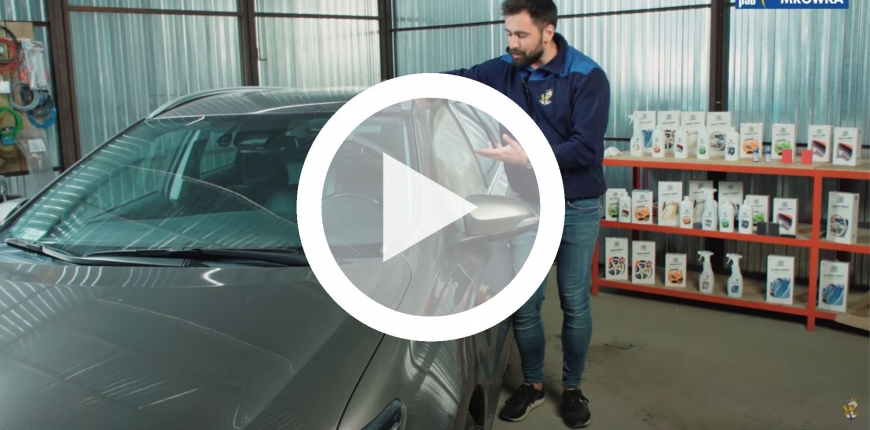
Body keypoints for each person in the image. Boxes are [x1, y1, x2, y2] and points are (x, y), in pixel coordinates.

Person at [442, 0, 610, 428]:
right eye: (508, 33)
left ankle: (572, 389)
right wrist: (418, 92)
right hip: (528, 207)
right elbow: (458, 79)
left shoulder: (586, 76)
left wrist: (529, 157)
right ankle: (533, 385)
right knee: (525, 303)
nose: (512, 43)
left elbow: (586, 149)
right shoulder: (504, 69)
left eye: (521, 34)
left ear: (548, 32)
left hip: (576, 204)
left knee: (574, 301)